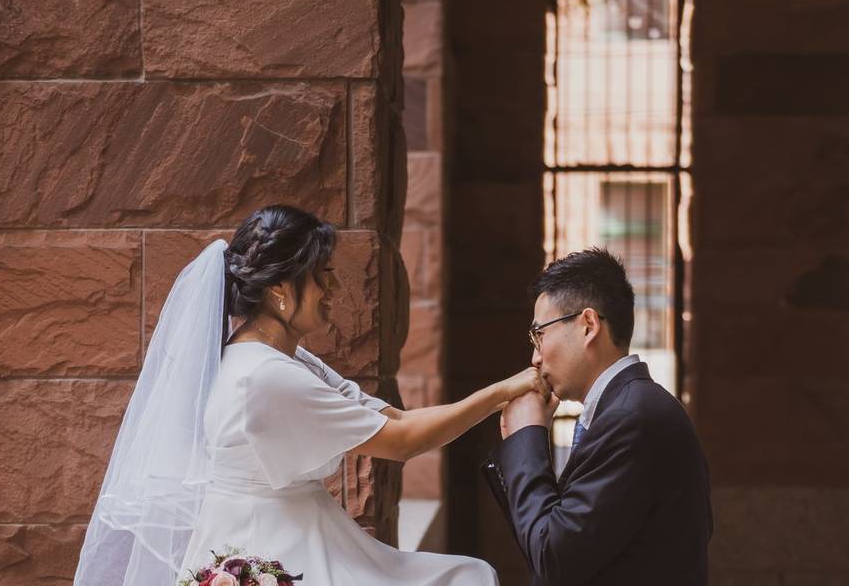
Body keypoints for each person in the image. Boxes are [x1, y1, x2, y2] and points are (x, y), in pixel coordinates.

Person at [75, 205, 546, 585]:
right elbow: (401, 441)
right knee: (466, 578)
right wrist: (506, 390)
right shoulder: (265, 377)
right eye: (323, 275)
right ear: (281, 288)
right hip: (275, 550)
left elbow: (392, 418)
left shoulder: (278, 359)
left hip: (300, 534)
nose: (334, 288)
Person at [484, 248, 712, 585]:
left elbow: (552, 557)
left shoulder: (631, 419)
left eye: (539, 335)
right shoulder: (627, 407)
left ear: (588, 325)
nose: (534, 357)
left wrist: (527, 436)